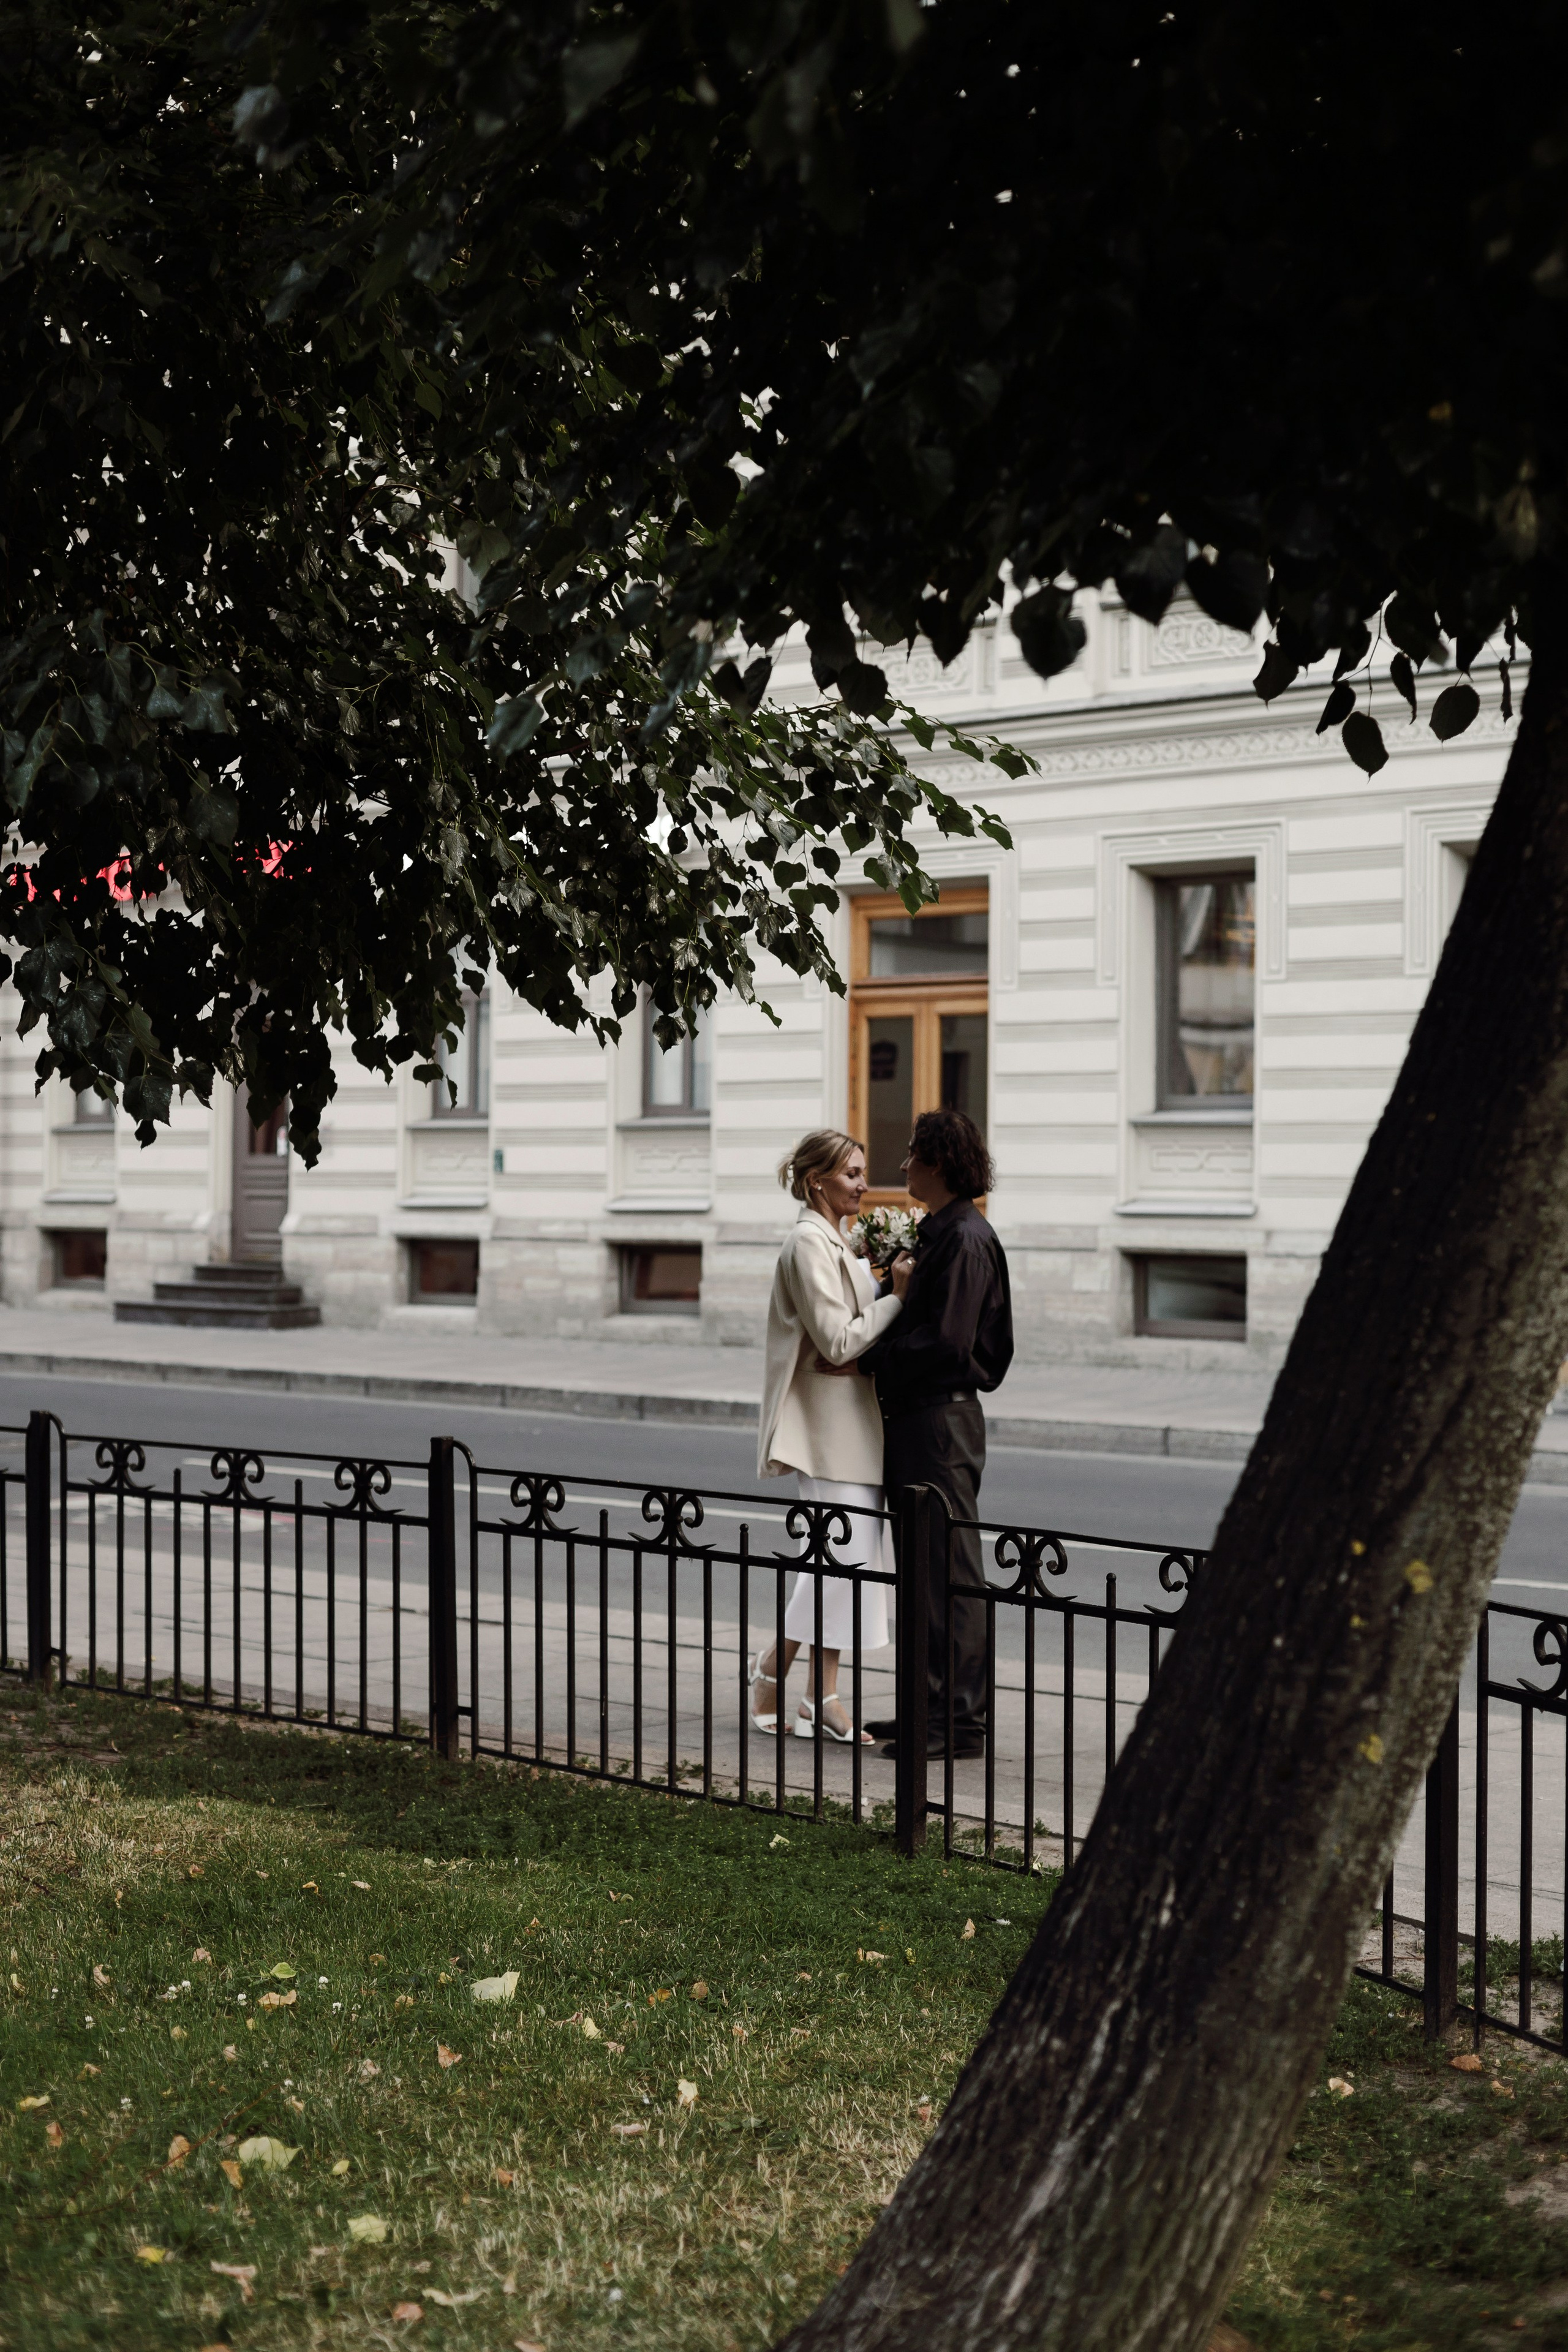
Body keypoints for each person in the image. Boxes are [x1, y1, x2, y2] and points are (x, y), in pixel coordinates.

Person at [858, 1106, 1013, 1760]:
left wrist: (871, 1358)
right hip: (922, 1419)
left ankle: (960, 1724)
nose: (903, 1166)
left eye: (913, 1154)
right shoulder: (941, 1232)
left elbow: (948, 1344)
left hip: (940, 1421)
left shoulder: (965, 1238)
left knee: (950, 1575)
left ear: (939, 1163)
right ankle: (927, 1710)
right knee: (923, 1575)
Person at [752, 1129, 911, 1742]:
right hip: (825, 1433)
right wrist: (895, 1298)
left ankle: (797, 1684)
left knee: (837, 1566)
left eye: (863, 1172)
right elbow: (839, 1341)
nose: (863, 1184)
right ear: (816, 1179)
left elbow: (852, 1343)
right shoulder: (806, 1245)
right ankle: (813, 1692)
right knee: (841, 1565)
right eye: (850, 1174)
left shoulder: (837, 1242)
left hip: (855, 1428)